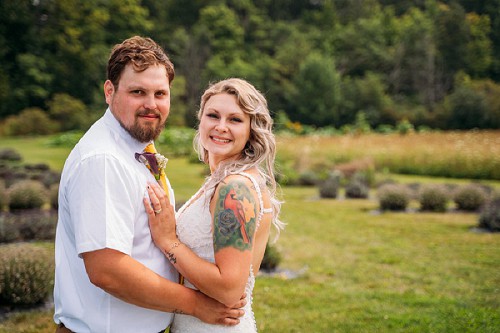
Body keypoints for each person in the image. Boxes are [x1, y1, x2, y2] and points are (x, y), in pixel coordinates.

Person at [53, 36, 245, 333]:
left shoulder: (137, 149)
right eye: (138, 92)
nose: (151, 105)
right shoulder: (103, 160)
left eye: (160, 93)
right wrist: (195, 304)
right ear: (109, 91)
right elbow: (107, 271)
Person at [144, 78, 285, 332]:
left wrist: (168, 241)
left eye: (235, 119)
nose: (221, 127)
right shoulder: (222, 180)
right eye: (213, 115)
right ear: (201, 121)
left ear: (251, 129)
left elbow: (229, 289)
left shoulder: (236, 189)